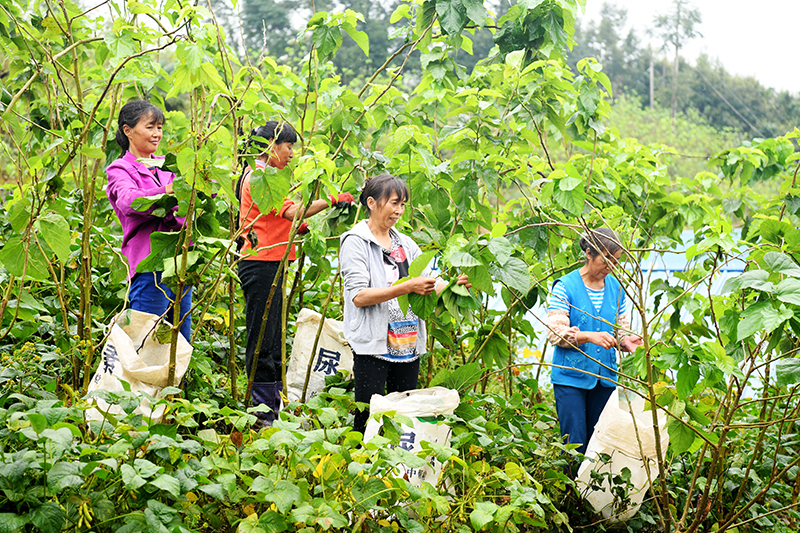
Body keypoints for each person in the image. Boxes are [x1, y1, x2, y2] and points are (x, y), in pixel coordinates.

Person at [237, 121, 354, 426]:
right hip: (261, 264)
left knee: (272, 338)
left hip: (269, 263)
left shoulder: (261, 175)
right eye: (287, 146)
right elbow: (292, 212)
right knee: (263, 339)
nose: (291, 153)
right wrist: (332, 199)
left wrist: (298, 227)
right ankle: (262, 413)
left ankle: (270, 408)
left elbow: (276, 217)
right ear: (270, 146)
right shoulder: (260, 176)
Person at [340, 174, 471, 434]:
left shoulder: (405, 243)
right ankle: (359, 468)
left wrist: (455, 285)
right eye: (394, 203)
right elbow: (359, 296)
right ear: (372, 202)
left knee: (403, 419)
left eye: (402, 204)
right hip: (373, 346)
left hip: (407, 344)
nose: (399, 211)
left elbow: (430, 278)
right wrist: (406, 287)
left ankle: (396, 470)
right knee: (369, 416)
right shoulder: (356, 242)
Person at [546, 228, 643, 458]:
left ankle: (593, 493)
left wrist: (626, 339)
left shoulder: (616, 288)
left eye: (617, 261)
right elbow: (554, 332)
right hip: (571, 378)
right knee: (575, 443)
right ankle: (571, 491)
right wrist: (587, 336)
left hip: (605, 379)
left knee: (601, 442)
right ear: (589, 253)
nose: (611, 266)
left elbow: (619, 329)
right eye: (606, 259)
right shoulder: (565, 286)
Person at [106, 100, 192, 341]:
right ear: (128, 130)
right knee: (147, 344)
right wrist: (168, 194)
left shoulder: (168, 166)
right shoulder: (120, 169)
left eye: (160, 128)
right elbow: (129, 202)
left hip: (179, 265)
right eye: (150, 127)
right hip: (149, 268)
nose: (157, 134)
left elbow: (188, 207)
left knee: (180, 345)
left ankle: (176, 382)